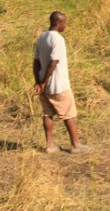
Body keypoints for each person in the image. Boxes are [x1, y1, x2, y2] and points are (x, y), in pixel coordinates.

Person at [33, 11, 88, 154]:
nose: (65, 25)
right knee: (68, 113)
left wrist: (38, 82)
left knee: (47, 113)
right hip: (58, 84)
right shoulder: (57, 39)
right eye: (64, 23)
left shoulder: (42, 37)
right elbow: (53, 63)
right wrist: (44, 82)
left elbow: (36, 62)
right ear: (57, 23)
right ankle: (75, 145)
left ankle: (50, 145)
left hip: (43, 85)